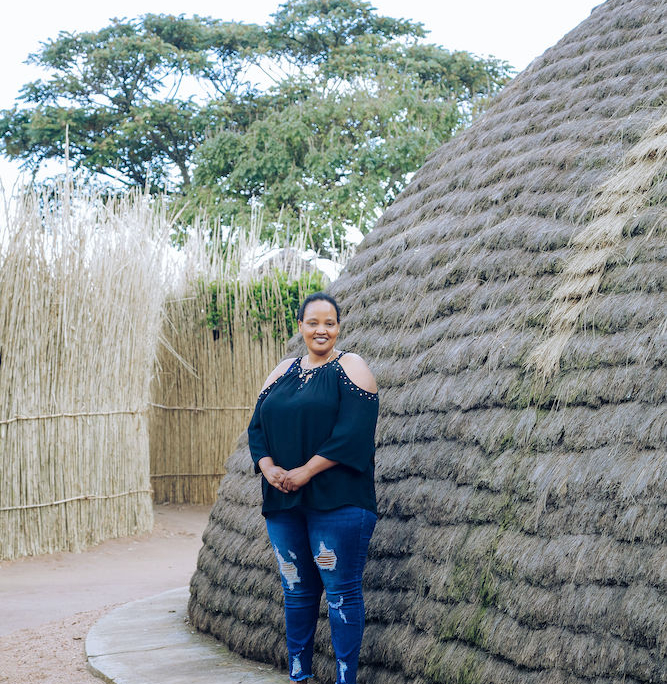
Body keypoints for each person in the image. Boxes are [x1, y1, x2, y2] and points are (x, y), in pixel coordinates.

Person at [247, 292, 379, 684]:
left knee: (340, 592)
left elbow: (353, 434)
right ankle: (299, 675)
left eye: (330, 323)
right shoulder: (282, 371)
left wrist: (305, 471)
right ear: (300, 326)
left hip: (339, 502)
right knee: (297, 591)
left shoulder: (351, 367)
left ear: (338, 327)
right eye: (313, 322)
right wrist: (268, 467)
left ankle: (344, 679)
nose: (321, 330)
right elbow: (257, 427)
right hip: (284, 499)